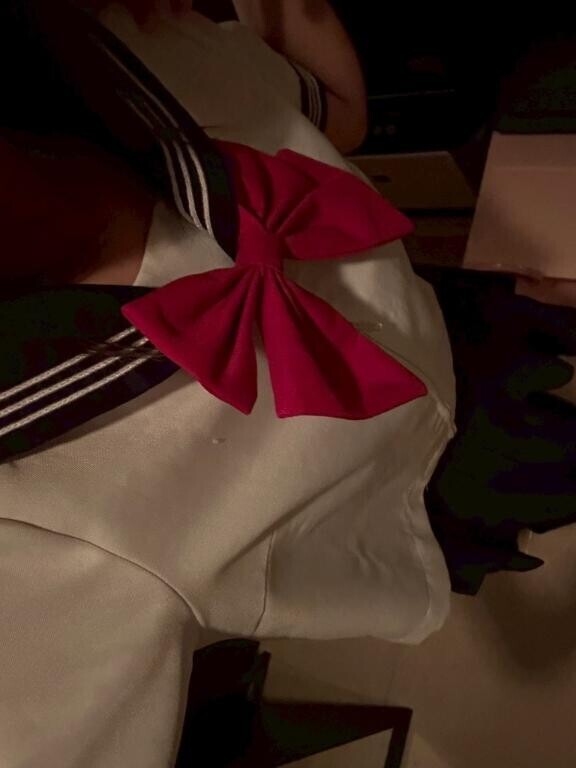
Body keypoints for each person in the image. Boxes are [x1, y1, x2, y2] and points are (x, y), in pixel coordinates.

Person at [0, 2, 575, 765]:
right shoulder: (30, 542)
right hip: (422, 486)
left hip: (444, 309)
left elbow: (338, 113)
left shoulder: (121, 36)